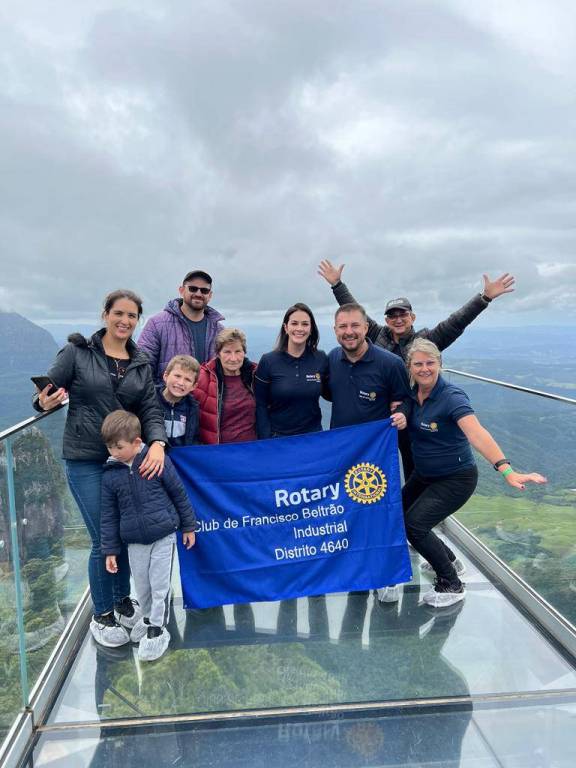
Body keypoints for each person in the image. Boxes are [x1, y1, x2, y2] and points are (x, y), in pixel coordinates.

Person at [34, 289, 168, 648]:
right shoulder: (77, 352)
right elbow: (47, 390)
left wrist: (157, 442)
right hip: (86, 459)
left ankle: (123, 600)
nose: (125, 321)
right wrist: (43, 402)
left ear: (138, 320)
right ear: (105, 314)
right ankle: (103, 613)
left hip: (123, 463)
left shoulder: (140, 362)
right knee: (103, 538)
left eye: (132, 315)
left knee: (120, 534)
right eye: (118, 313)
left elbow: (150, 409)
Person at [379, 338, 546, 608]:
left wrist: (506, 470)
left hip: (455, 478)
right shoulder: (413, 393)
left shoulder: (451, 397)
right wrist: (401, 414)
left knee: (414, 525)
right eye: (418, 364)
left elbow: (477, 434)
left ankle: (451, 584)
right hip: (425, 475)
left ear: (440, 364)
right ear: (409, 367)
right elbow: (406, 407)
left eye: (430, 363)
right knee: (397, 515)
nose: (424, 369)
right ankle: (450, 560)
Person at [318, 260, 516, 477]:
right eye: (393, 316)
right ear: (386, 320)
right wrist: (337, 285)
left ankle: (413, 497)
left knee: (412, 465)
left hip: (412, 414)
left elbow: (456, 322)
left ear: (412, 317)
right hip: (380, 414)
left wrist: (484, 298)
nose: (398, 319)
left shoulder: (425, 341)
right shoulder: (376, 334)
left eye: (403, 315)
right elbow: (353, 316)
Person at [100, 411, 197, 661]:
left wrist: (188, 526)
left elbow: (178, 493)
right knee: (142, 585)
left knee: (160, 584)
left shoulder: (157, 461)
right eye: (109, 447)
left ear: (136, 442)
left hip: (163, 535)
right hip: (134, 541)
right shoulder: (110, 475)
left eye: (119, 447)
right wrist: (110, 550)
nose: (113, 452)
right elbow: (109, 515)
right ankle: (146, 618)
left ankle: (157, 629)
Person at [327, 303, 410, 431]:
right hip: (340, 440)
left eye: (355, 325)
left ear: (366, 328)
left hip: (374, 441)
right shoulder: (332, 358)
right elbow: (328, 393)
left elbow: (407, 399)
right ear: (335, 330)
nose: (349, 332)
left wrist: (402, 413)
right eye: (343, 326)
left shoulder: (391, 364)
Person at [255, 303, 329, 438]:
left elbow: (331, 392)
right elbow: (260, 404)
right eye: (294, 323)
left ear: (311, 329)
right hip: (279, 438)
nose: (299, 328)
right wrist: (266, 439)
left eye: (305, 324)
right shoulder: (268, 361)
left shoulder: (321, 358)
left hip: (313, 437)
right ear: (286, 327)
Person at [138, 270, 225, 383]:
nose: (198, 294)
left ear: (210, 295)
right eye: (193, 289)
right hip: (166, 394)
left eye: (204, 290)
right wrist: (162, 393)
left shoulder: (219, 331)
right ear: (181, 290)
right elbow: (142, 370)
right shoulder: (156, 324)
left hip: (208, 395)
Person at [193, 328, 257, 444]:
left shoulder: (255, 374)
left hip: (252, 447)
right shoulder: (204, 378)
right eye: (227, 352)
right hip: (219, 450)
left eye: (238, 351)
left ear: (244, 352)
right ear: (218, 354)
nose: (233, 358)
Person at [157, 355, 201, 446]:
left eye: (187, 380)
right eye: (177, 376)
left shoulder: (192, 407)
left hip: (180, 453)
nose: (181, 383)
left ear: (194, 386)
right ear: (165, 376)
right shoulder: (151, 400)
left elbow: (193, 439)